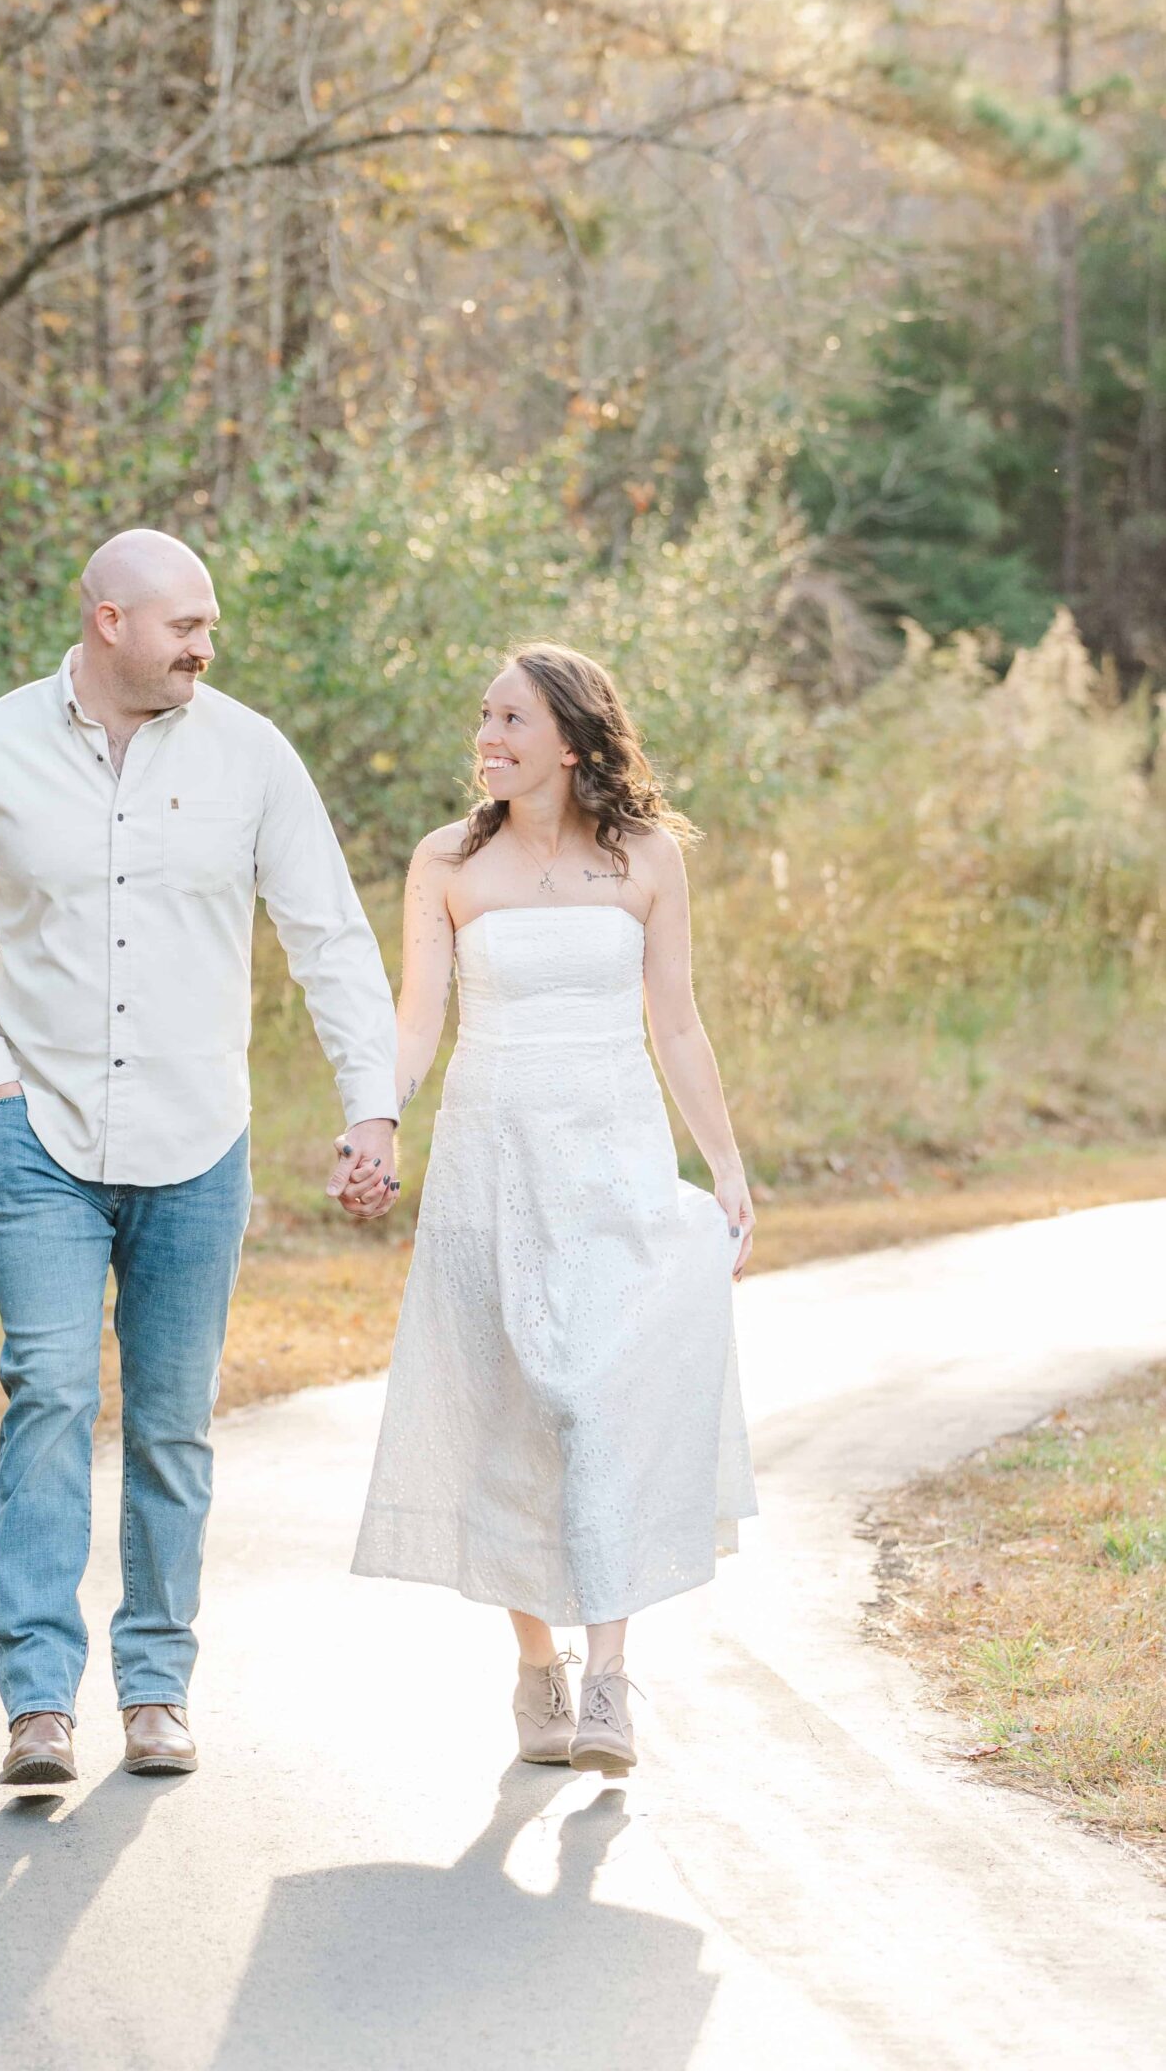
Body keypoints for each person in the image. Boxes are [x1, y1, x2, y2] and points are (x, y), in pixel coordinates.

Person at [0, 530, 398, 1791]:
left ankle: (159, 1687)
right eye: (185, 625)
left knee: (173, 1429)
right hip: (43, 1136)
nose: (204, 646)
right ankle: (36, 1704)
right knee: (52, 1394)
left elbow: (329, 935)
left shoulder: (250, 754)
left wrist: (372, 1105)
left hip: (197, 1143)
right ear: (108, 619)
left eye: (211, 627)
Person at [350, 641, 756, 1774]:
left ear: (570, 741)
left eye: (512, 720)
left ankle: (613, 1676)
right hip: (490, 1158)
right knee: (507, 1406)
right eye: (483, 717)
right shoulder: (445, 861)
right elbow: (417, 1022)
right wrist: (372, 1119)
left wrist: (722, 1162)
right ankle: (539, 1663)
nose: (487, 736)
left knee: (599, 1399)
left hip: (613, 1156)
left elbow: (675, 1022)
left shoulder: (647, 859)